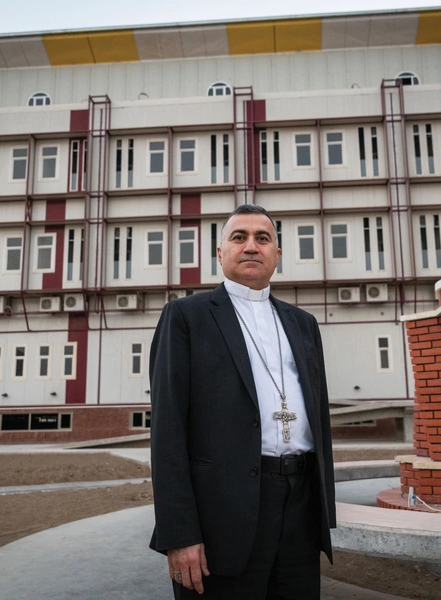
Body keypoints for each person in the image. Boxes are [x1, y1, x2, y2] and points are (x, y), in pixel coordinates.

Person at [149, 204, 336, 599]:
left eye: (263, 238)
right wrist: (179, 534)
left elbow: (319, 420)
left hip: (300, 508)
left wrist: (323, 515)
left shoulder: (303, 324)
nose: (251, 246)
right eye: (239, 237)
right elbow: (167, 433)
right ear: (220, 253)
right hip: (222, 518)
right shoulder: (186, 317)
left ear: (277, 255)